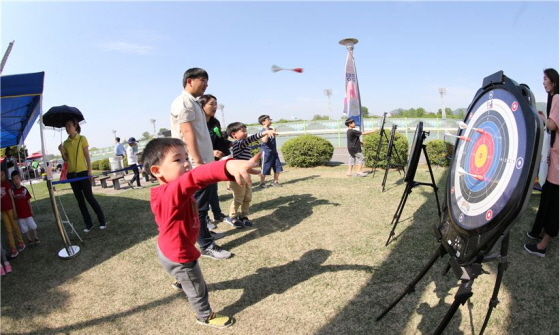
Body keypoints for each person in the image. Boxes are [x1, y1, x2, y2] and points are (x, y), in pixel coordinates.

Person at [142, 137, 260, 328]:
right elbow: (196, 177)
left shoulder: (171, 192)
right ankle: (204, 315)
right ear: (157, 171)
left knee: (185, 278)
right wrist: (226, 167)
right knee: (197, 287)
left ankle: (181, 281)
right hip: (179, 255)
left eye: (186, 157)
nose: (186, 163)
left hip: (167, 248)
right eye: (177, 159)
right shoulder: (171, 192)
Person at [170, 68, 231, 260]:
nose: (206, 84)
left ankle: (206, 235)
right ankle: (206, 245)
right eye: (203, 80)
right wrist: (198, 163)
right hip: (198, 165)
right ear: (190, 81)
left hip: (205, 162)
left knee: (205, 203)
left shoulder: (194, 102)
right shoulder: (184, 102)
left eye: (207, 81)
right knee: (200, 207)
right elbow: (187, 133)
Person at [525, 68, 559, 257]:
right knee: (548, 198)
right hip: (554, 160)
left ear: (553, 82)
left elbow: (553, 125)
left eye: (545, 79)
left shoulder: (557, 98)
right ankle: (540, 233)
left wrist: (544, 119)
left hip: (556, 162)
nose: (543, 82)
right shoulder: (555, 99)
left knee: (554, 203)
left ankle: (543, 246)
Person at [58, 118, 107, 233]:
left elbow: (87, 156)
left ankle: (102, 220)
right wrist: (61, 151)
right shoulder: (65, 143)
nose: (67, 128)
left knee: (89, 197)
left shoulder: (82, 139)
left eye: (69, 125)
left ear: (75, 126)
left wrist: (89, 171)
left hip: (82, 172)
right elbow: (66, 159)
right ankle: (88, 223)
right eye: (66, 126)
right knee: (80, 201)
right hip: (71, 174)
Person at [224, 122, 276, 228]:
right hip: (238, 176)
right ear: (234, 135)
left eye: (245, 130)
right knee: (238, 198)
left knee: (247, 197)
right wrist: (265, 132)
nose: (246, 133)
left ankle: (244, 216)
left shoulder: (243, 144)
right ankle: (233, 217)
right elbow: (251, 139)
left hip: (246, 175)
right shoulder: (238, 144)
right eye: (243, 131)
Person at [200, 94, 228, 225]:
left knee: (213, 189)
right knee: (203, 192)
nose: (215, 107)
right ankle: (205, 219)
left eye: (216, 104)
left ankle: (217, 214)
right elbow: (192, 143)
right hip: (200, 162)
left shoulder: (214, 123)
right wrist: (210, 152)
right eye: (211, 104)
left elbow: (218, 140)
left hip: (213, 161)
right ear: (202, 106)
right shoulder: (197, 124)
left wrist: (227, 144)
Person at [10, 171, 41, 246]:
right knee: (24, 228)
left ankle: (36, 238)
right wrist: (15, 212)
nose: (16, 181)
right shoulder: (12, 192)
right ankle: (29, 239)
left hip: (27, 213)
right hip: (20, 214)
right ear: (12, 181)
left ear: (20, 179)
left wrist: (31, 210)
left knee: (32, 225)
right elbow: (13, 203)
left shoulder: (24, 190)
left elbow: (28, 201)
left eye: (17, 178)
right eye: (14, 180)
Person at [1, 170, 25, 258]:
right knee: (8, 229)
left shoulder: (7, 184)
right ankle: (13, 247)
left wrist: (14, 210)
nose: (1, 177)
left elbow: (12, 198)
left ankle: (21, 242)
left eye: (2, 175)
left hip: (10, 209)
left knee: (14, 226)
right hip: (3, 211)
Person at [257, 114, 283, 188]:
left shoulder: (271, 129)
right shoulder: (262, 131)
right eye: (268, 119)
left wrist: (272, 132)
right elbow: (264, 141)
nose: (270, 120)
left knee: (277, 167)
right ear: (263, 122)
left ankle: (275, 182)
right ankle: (262, 183)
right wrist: (267, 133)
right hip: (266, 152)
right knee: (265, 167)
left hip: (274, 152)